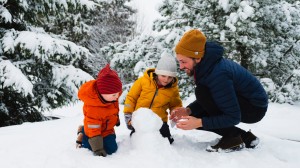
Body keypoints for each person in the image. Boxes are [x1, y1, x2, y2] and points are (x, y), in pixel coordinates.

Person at [169, 29, 268, 152]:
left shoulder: (218, 73)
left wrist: (200, 122)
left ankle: (233, 140)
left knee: (201, 98)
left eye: (184, 62)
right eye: (179, 61)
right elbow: (216, 96)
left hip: (254, 107)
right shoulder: (207, 67)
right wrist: (188, 110)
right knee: (194, 114)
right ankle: (246, 138)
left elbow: (233, 117)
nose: (181, 67)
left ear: (197, 58)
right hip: (243, 101)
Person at [124, 54, 183, 144]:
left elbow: (175, 105)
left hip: (159, 121)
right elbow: (131, 98)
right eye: (163, 76)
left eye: (170, 77)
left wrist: (175, 112)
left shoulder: (173, 90)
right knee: (136, 140)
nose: (166, 80)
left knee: (167, 141)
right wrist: (128, 114)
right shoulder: (143, 81)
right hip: (141, 119)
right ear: (157, 72)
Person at [75, 64, 122, 157]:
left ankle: (84, 130)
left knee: (112, 149)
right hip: (92, 132)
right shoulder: (93, 108)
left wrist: (116, 119)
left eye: (118, 93)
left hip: (107, 129)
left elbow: (114, 110)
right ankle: (83, 133)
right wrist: (98, 149)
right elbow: (93, 129)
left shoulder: (112, 98)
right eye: (114, 94)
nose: (117, 96)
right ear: (102, 93)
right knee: (89, 147)